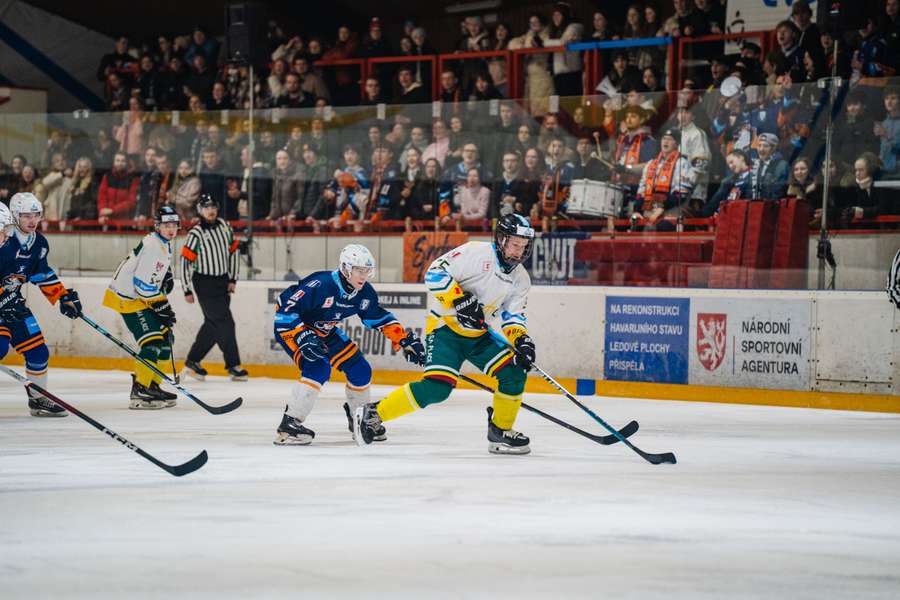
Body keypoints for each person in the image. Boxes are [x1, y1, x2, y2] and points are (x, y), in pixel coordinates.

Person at [355, 214, 536, 455]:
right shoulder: (476, 253)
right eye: (515, 244)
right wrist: (459, 300)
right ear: (501, 239)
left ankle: (500, 431)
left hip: (480, 336)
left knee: (514, 373)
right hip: (446, 330)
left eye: (524, 246)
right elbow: (434, 273)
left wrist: (521, 340)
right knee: (437, 388)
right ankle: (374, 414)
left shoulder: (521, 278)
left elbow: (513, 317)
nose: (519, 251)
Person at [272, 244, 425, 445]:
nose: (364, 275)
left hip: (325, 330)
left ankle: (360, 420)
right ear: (345, 268)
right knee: (319, 367)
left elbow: (378, 317)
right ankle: (289, 424)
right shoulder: (320, 283)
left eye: (367, 271)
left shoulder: (364, 293)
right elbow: (284, 311)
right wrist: (300, 334)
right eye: (359, 271)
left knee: (361, 370)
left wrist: (402, 339)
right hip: (293, 328)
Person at [0, 194, 82, 417]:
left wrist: (63, 296)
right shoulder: (5, 241)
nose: (32, 220)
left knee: (38, 352)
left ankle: (38, 400)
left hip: (13, 306)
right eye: (26, 215)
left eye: (36, 215)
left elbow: (41, 273)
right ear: (15, 216)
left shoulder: (38, 243)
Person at [102, 205, 180, 409]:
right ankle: (139, 390)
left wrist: (166, 275)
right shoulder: (154, 245)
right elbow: (142, 286)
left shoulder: (162, 243)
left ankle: (152, 385)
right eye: (166, 225)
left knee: (165, 339)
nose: (171, 229)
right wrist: (162, 307)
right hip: (128, 299)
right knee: (152, 342)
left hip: (139, 298)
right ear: (157, 226)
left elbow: (152, 275)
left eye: (174, 225)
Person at [180, 195, 247, 382]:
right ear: (200, 210)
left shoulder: (225, 226)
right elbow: (185, 261)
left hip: (223, 281)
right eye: (206, 207)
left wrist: (233, 278)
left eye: (213, 206)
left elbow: (234, 252)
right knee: (226, 322)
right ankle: (233, 365)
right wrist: (186, 288)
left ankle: (192, 361)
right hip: (204, 283)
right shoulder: (196, 232)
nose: (211, 210)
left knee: (212, 324)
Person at [751, 133, 789, 200]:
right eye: (759, 145)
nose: (761, 149)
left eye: (765, 146)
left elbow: (778, 191)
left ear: (773, 148)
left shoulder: (781, 165)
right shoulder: (754, 164)